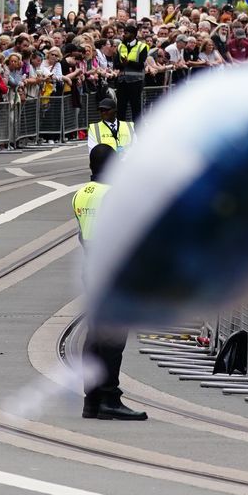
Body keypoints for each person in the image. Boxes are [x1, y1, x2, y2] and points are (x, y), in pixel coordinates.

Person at [73, 143, 146, 420]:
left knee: (94, 335)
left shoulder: (80, 195)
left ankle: (91, 399)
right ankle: (109, 397)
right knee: (114, 339)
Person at [112, 24, 149, 122]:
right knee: (121, 109)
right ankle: (121, 131)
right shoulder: (120, 46)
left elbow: (141, 65)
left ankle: (137, 131)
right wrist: (122, 64)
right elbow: (116, 64)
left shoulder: (142, 47)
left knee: (136, 108)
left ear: (133, 34)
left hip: (136, 82)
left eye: (126, 33)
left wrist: (128, 63)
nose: (124, 35)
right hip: (122, 82)